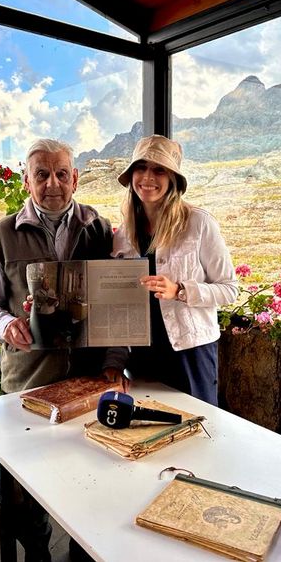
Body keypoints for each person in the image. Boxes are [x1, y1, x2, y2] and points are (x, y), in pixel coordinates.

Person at [0, 138, 124, 562]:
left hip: (87, 383)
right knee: (25, 490)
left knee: (89, 478)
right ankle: (37, 553)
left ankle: (81, 554)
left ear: (75, 178)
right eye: (42, 174)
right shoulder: (2, 234)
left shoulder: (99, 228)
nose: (52, 183)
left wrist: (114, 361)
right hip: (29, 383)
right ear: (26, 181)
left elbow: (116, 303)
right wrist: (6, 324)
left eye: (61, 174)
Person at [113, 134, 238, 406]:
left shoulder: (199, 223)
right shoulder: (123, 234)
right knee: (148, 424)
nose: (148, 177)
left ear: (173, 179)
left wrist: (180, 290)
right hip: (142, 356)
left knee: (197, 424)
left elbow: (229, 289)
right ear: (131, 175)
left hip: (190, 353)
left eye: (159, 169)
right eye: (141, 167)